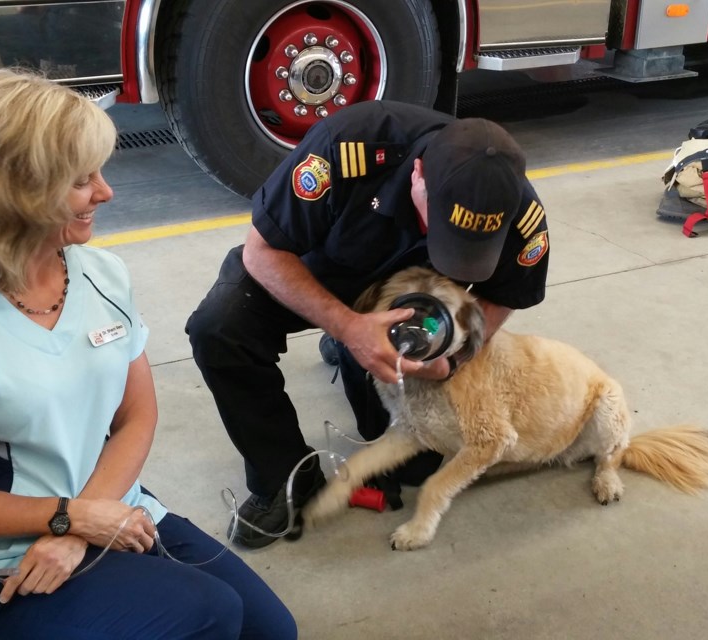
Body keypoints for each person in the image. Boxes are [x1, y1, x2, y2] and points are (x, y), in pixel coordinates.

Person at [0, 69, 297, 639]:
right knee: (208, 615)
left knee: (270, 631)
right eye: (82, 181)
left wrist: (80, 526)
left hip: (110, 508)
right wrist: (67, 519)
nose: (105, 192)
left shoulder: (103, 273)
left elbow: (137, 415)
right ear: (16, 191)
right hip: (6, 554)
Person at [185, 100, 550, 549]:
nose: (449, 248)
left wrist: (454, 359)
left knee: (414, 469)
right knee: (219, 327)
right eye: (441, 230)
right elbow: (261, 252)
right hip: (313, 270)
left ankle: (350, 353)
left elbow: (502, 297)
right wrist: (348, 326)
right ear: (418, 175)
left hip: (404, 303)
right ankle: (282, 478)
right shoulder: (345, 149)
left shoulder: (520, 211)